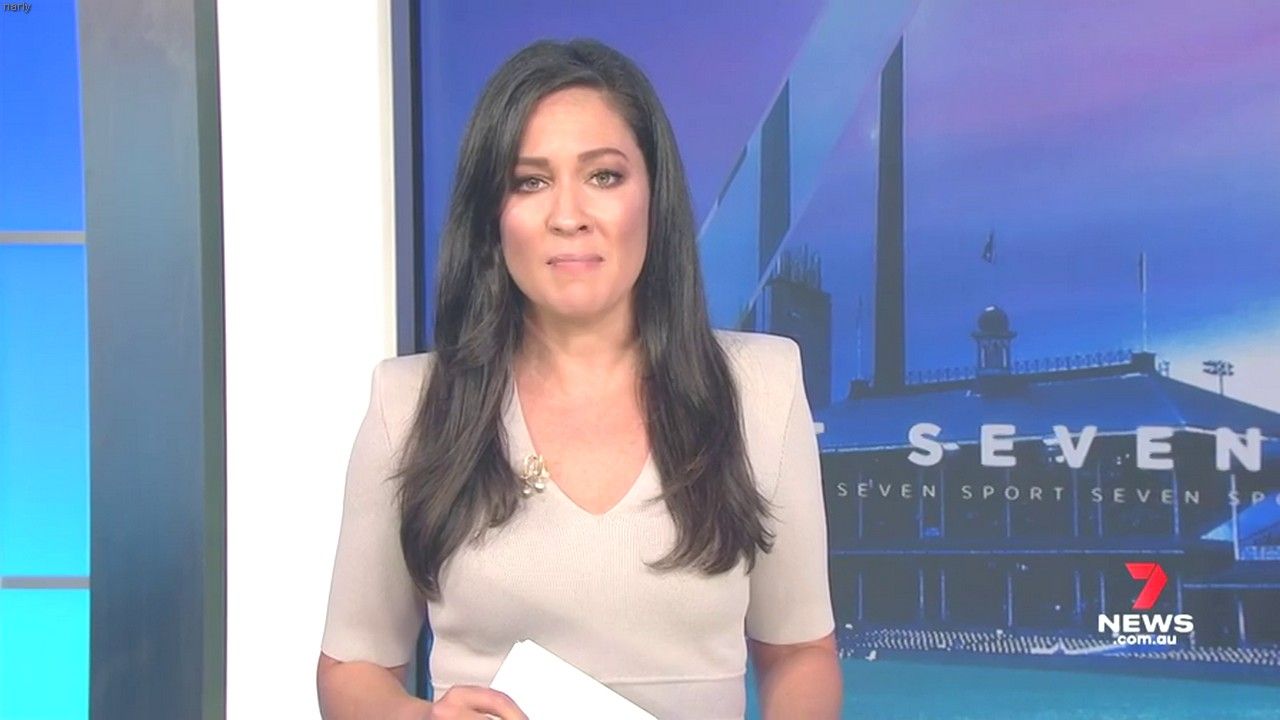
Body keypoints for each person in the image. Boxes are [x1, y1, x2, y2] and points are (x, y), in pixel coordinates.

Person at [316, 38, 840, 720]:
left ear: (654, 196)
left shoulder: (762, 389)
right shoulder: (409, 405)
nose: (568, 216)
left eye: (604, 176)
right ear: (491, 214)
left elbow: (800, 653)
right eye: (530, 182)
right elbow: (352, 668)